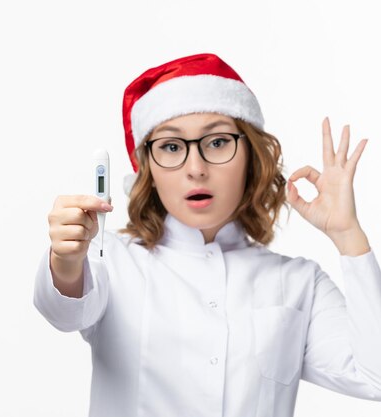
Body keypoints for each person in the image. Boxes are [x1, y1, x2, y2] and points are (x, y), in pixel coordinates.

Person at [33, 53, 381, 417]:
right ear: (148, 168)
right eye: (171, 146)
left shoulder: (299, 283)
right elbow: (62, 310)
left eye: (217, 142)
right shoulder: (113, 261)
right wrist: (66, 258)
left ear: (251, 156)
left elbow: (376, 379)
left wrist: (348, 236)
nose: (196, 169)